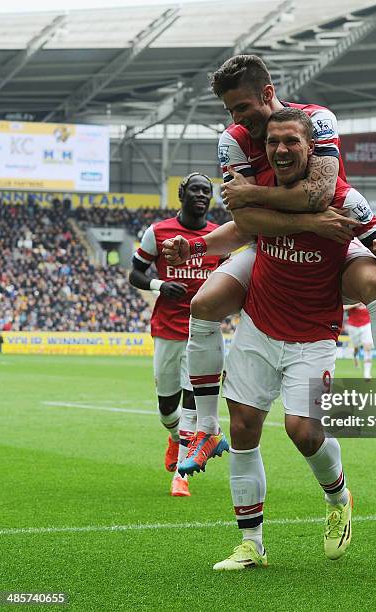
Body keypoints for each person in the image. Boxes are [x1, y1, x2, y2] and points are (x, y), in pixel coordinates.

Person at [164, 108, 376, 568]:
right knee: (244, 429)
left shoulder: (345, 200)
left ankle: (339, 498)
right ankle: (251, 544)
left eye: (291, 142)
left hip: (313, 336)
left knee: (303, 431)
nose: (280, 150)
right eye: (273, 143)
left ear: (312, 149)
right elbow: (241, 230)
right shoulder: (266, 195)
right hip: (258, 326)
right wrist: (196, 245)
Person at [179, 55, 376, 474]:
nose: (238, 119)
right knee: (204, 304)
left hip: (330, 243)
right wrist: (311, 220)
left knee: (373, 278)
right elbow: (246, 222)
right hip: (276, 246)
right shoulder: (234, 140)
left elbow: (320, 193)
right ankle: (204, 428)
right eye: (231, 111)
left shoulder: (317, 120)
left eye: (243, 107)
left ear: (268, 93)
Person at [128, 173, 228, 497]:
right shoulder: (157, 233)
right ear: (182, 193)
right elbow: (135, 273)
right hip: (167, 329)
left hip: (203, 330)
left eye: (207, 191)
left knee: (192, 403)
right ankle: (174, 439)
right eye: (196, 189)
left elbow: (229, 277)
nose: (201, 195)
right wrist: (160, 285)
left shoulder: (218, 236)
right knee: (166, 409)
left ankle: (181, 476)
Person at [344, 303, 374, 381]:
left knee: (367, 347)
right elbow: (343, 307)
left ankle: (367, 374)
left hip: (366, 324)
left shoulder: (368, 294)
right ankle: (355, 357)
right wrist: (355, 304)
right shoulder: (352, 296)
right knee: (356, 347)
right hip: (353, 326)